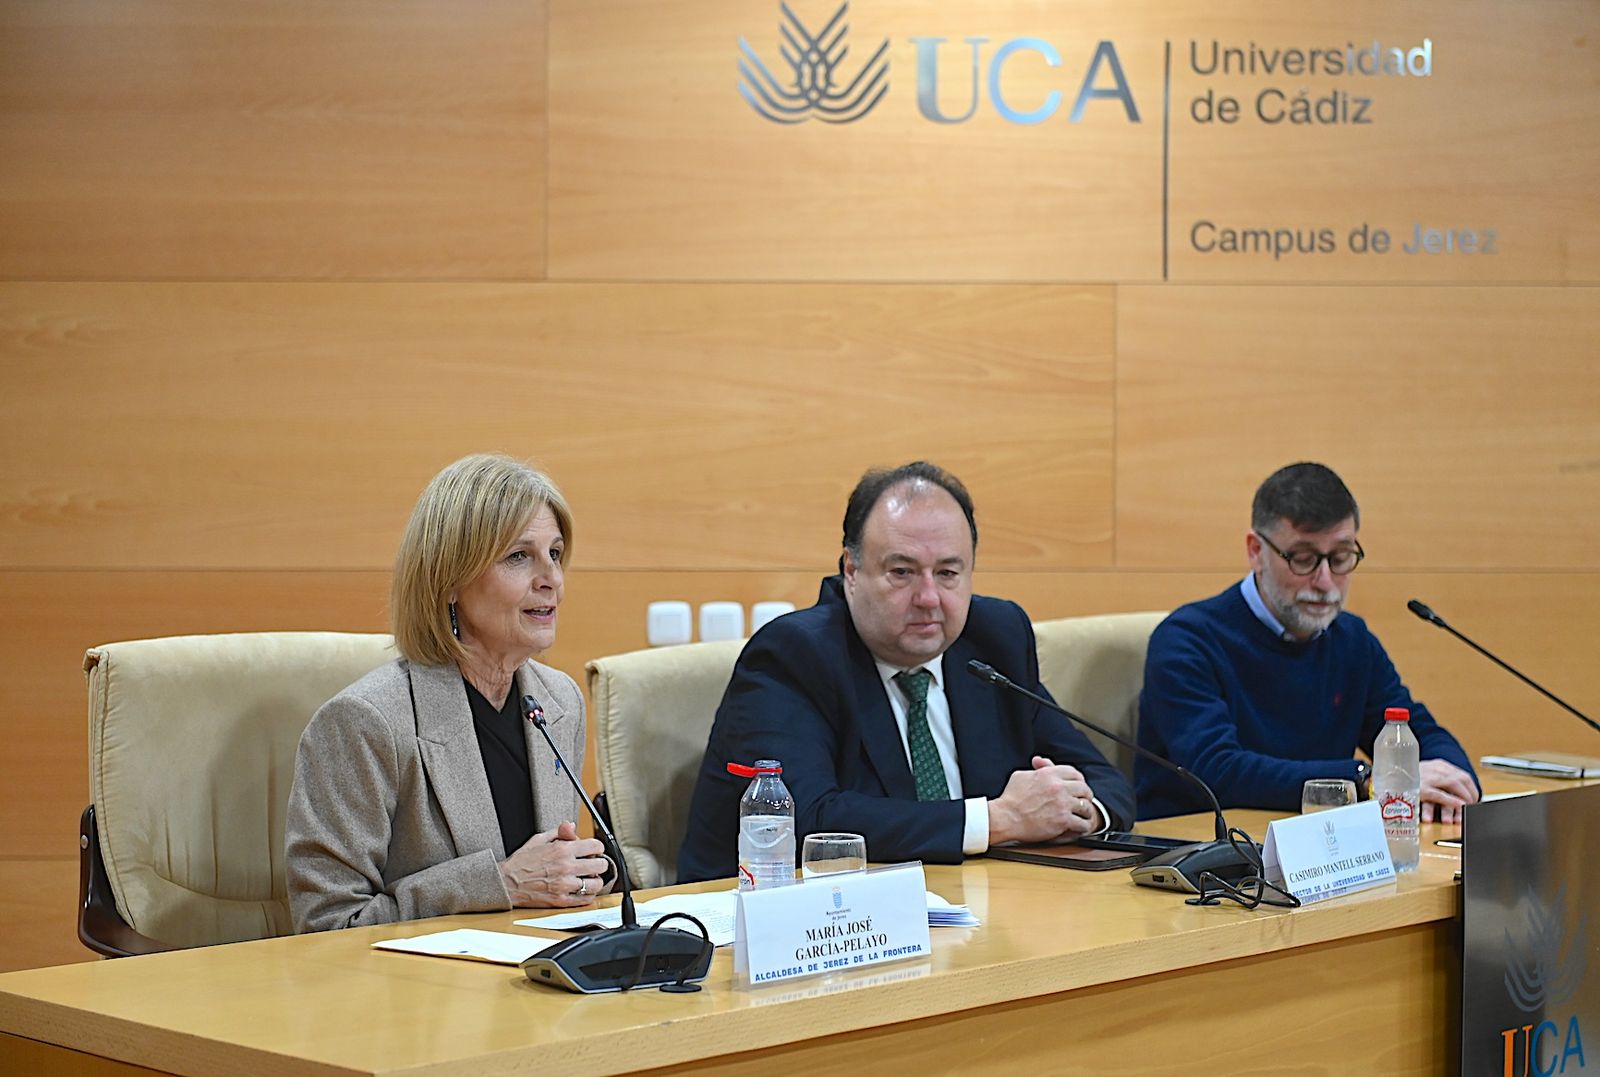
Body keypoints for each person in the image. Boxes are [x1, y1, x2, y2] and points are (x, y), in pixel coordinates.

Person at [676, 461, 1134, 883]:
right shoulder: (795, 655)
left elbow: (1103, 779)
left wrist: (1077, 811)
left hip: (970, 907)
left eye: (949, 573)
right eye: (902, 572)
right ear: (851, 571)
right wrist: (999, 820)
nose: (930, 597)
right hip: (796, 931)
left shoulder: (995, 640)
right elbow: (805, 821)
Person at [287, 454, 612, 932]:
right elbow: (326, 922)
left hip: (537, 983)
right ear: (452, 578)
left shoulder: (558, 702)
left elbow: (544, 887)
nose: (552, 581)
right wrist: (499, 883)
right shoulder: (365, 721)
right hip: (417, 996)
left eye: (556, 554)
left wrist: (579, 879)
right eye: (519, 556)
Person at [1136, 462, 1480, 822]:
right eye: (1303, 559)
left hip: (1322, 853)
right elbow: (1219, 772)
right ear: (1256, 550)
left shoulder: (1352, 641)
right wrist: (1366, 782)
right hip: (1201, 854)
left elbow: (1417, 734)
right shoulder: (1187, 639)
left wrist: (1453, 783)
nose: (1325, 581)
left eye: (1341, 557)